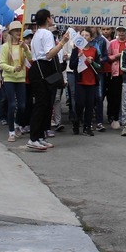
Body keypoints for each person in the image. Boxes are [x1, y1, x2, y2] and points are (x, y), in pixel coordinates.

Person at [29, 9, 70, 151]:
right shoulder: (46, 33)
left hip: (38, 68)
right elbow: (48, 54)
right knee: (41, 104)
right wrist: (62, 43)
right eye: (51, 16)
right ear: (47, 19)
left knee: (46, 104)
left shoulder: (36, 34)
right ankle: (33, 138)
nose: (52, 18)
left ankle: (40, 136)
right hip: (42, 68)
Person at [0, 21, 30, 142]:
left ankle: (17, 124)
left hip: (21, 78)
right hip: (9, 78)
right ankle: (11, 131)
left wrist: (26, 49)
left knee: (22, 105)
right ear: (11, 32)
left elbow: (31, 58)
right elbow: (1, 64)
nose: (18, 33)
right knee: (12, 105)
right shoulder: (6, 46)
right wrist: (12, 69)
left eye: (19, 31)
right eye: (16, 30)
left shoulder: (23, 45)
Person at [68, 28, 102, 136]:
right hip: (80, 81)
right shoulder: (76, 50)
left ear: (91, 38)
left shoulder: (94, 50)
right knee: (80, 103)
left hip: (91, 81)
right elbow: (71, 66)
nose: (84, 37)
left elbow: (99, 66)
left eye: (86, 35)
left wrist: (92, 62)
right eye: (82, 35)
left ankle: (87, 127)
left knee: (90, 105)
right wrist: (78, 58)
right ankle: (76, 123)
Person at [104, 27, 126, 132]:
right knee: (115, 96)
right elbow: (107, 57)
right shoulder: (112, 43)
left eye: (123, 31)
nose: (121, 33)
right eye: (120, 31)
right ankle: (115, 117)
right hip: (115, 72)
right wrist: (115, 56)